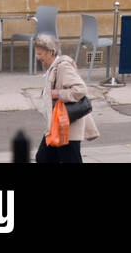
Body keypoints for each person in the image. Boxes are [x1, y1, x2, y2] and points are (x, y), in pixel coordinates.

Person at [33, 33, 99, 164]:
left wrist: (57, 94)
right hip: (57, 126)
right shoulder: (54, 67)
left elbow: (80, 89)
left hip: (67, 128)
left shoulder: (63, 66)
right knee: (43, 158)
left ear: (51, 52)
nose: (38, 57)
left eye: (40, 54)